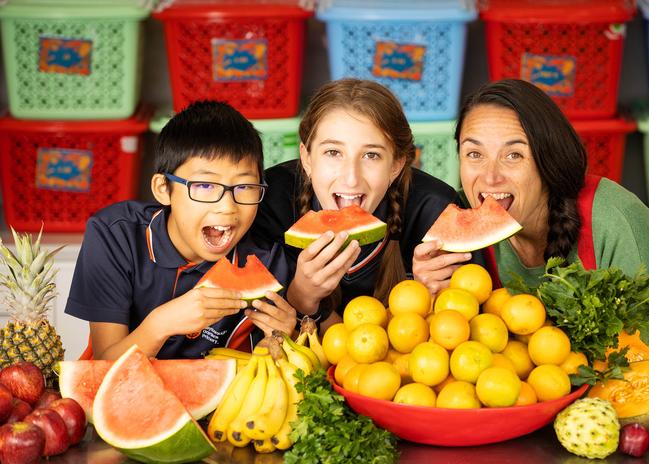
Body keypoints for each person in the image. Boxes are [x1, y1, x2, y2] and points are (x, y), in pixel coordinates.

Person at [65, 101, 296, 360]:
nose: (227, 207)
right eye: (205, 186)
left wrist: (286, 338)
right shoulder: (115, 235)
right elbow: (104, 365)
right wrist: (160, 325)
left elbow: (259, 372)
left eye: (244, 187)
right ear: (164, 188)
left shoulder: (268, 262)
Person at [251, 78, 468, 330]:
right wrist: (301, 297)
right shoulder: (267, 203)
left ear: (396, 165)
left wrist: (426, 298)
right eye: (333, 152)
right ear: (307, 158)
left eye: (371, 155)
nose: (351, 178)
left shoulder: (438, 211)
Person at [426, 78, 649, 291]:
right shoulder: (450, 213)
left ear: (550, 160)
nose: (491, 177)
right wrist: (425, 290)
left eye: (513, 155)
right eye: (474, 154)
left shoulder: (615, 219)